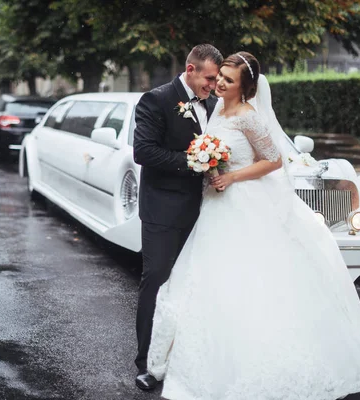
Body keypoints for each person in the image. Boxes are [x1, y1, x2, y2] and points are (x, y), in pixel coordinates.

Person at [145, 51, 360, 399]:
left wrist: (232, 177)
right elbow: (211, 151)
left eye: (228, 79)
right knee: (206, 281)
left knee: (250, 283)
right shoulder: (217, 109)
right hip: (214, 207)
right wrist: (207, 164)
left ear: (245, 86)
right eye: (220, 76)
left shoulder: (248, 116)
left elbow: (273, 160)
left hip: (241, 203)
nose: (220, 83)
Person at [132, 43, 223, 391]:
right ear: (190, 69)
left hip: (205, 211)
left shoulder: (214, 105)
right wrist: (195, 163)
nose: (212, 86)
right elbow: (144, 151)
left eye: (216, 80)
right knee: (156, 280)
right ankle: (146, 363)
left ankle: (183, 359)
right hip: (164, 211)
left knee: (195, 285)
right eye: (209, 78)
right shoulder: (155, 100)